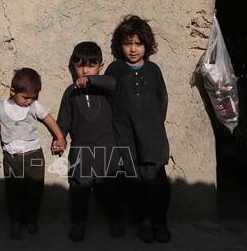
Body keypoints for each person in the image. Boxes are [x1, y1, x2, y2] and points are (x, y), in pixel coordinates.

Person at [106, 15, 171, 243]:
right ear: (120, 45)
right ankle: (143, 222)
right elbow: (108, 102)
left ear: (146, 45)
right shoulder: (115, 69)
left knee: (156, 184)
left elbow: (162, 98)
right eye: (128, 44)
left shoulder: (153, 70)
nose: (133, 49)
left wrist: (153, 126)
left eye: (138, 44)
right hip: (126, 139)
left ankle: (159, 223)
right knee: (134, 185)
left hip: (152, 140)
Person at [56, 42, 125, 242]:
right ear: (73, 67)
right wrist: (59, 138)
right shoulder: (71, 92)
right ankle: (78, 223)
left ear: (100, 66)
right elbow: (64, 119)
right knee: (79, 187)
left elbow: (113, 83)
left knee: (111, 186)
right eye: (80, 66)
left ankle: (116, 219)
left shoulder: (105, 89)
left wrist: (91, 80)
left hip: (107, 149)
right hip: (81, 149)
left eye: (91, 65)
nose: (85, 70)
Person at [0, 68, 67, 240]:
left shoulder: (34, 106)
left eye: (33, 97)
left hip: (34, 157)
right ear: (13, 91)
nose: (29, 101)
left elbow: (48, 119)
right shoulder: (1, 108)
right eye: (25, 97)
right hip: (12, 159)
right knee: (13, 192)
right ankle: (16, 222)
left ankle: (30, 219)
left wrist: (60, 136)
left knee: (35, 191)